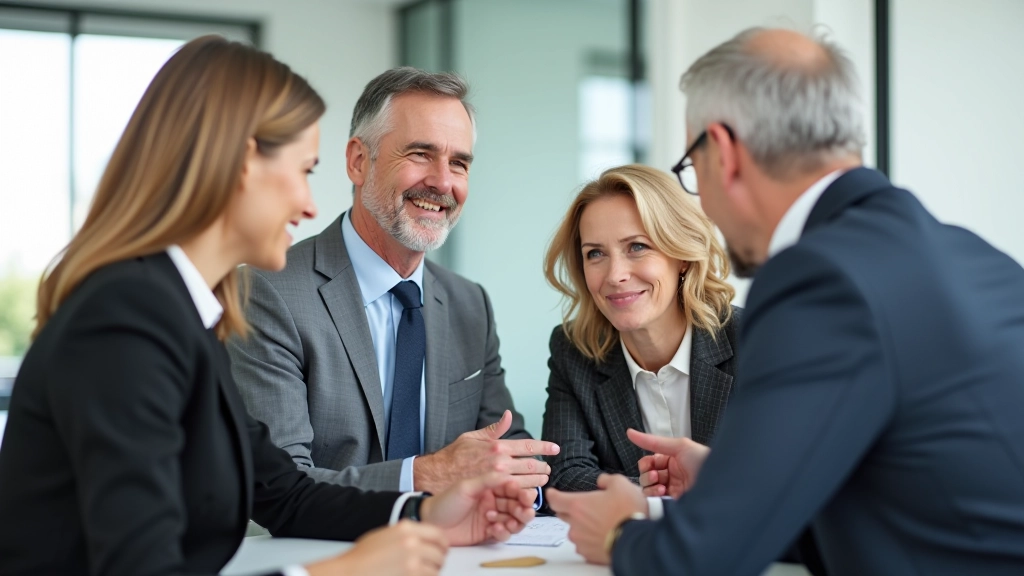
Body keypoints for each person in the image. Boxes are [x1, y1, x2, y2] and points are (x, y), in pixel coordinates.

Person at [0, 36, 535, 576]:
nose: (309, 204)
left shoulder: (186, 313)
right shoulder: (125, 323)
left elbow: (283, 491)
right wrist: (344, 571)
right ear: (240, 165)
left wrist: (428, 515)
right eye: (304, 170)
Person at [547, 27, 1024, 576]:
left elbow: (699, 560)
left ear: (721, 153)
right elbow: (911, 508)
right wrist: (731, 480)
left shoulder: (819, 279)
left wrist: (620, 533)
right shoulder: (976, 257)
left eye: (692, 171)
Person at [227, 67, 558, 497]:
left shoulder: (469, 304)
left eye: (459, 163)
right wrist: (426, 476)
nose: (442, 182)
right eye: (420, 154)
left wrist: (519, 491)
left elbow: (506, 445)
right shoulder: (267, 292)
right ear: (358, 161)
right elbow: (276, 484)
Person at [540, 164, 738, 499]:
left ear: (683, 256)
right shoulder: (573, 350)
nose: (615, 275)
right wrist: (652, 493)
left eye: (637, 247)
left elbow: (790, 473)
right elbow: (564, 473)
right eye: (596, 253)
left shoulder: (756, 339)